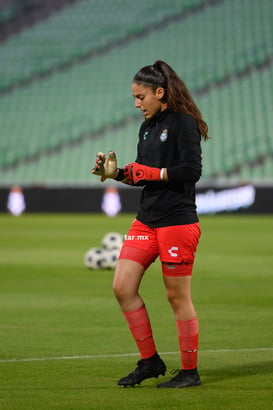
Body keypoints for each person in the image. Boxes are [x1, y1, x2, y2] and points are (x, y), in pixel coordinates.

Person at [91, 60, 208, 388]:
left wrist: (153, 174)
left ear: (160, 92)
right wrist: (116, 174)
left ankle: (189, 372)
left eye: (141, 97)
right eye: (134, 97)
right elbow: (144, 175)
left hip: (176, 223)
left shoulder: (184, 123)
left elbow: (191, 170)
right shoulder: (146, 127)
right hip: (147, 220)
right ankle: (150, 361)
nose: (136, 103)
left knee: (176, 297)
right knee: (122, 287)